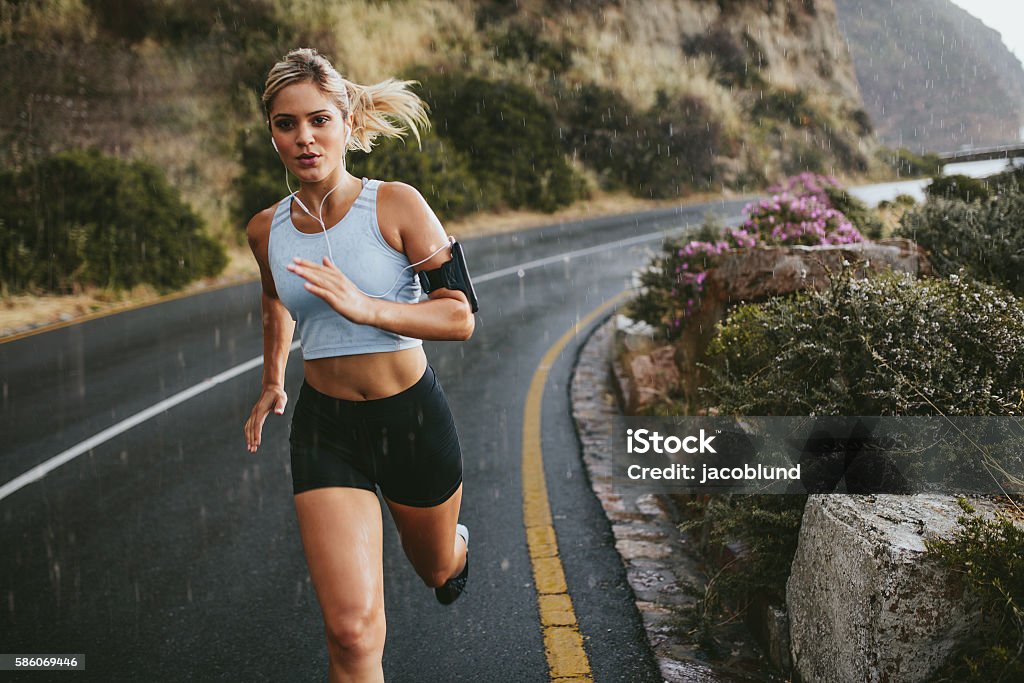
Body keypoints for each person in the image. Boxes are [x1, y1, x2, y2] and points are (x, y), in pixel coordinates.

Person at [242, 47, 473, 682]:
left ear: (345, 122)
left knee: (434, 569)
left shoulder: (396, 205)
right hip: (327, 432)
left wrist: (368, 308)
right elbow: (274, 298)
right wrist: (272, 379)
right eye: (287, 124)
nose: (304, 138)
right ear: (272, 134)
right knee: (350, 631)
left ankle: (456, 553)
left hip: (411, 420)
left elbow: (459, 316)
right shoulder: (266, 230)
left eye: (319, 120)